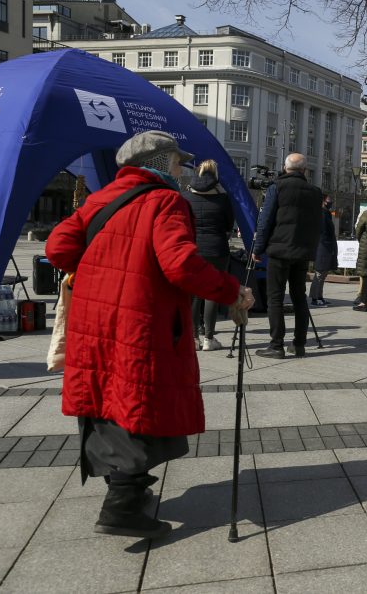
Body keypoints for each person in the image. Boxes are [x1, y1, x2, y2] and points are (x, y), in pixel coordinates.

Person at [45, 131, 253, 539]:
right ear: (158, 162)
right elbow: (179, 265)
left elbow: (57, 248)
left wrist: (99, 268)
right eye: (177, 162)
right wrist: (233, 290)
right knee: (139, 401)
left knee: (108, 399)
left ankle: (129, 495)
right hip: (141, 320)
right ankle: (121, 506)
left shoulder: (99, 199)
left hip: (95, 321)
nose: (182, 170)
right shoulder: (165, 200)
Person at [252, 153, 322, 359]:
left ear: (284, 168)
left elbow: (265, 220)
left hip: (279, 250)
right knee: (299, 296)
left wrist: (257, 249)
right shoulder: (316, 192)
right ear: (305, 170)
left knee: (275, 297)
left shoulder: (277, 188)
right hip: (301, 252)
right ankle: (299, 343)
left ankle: (276, 345)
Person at [182, 159, 235, 351]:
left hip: (193, 249)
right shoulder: (223, 198)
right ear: (215, 175)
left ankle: (193, 337)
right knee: (212, 292)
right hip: (217, 249)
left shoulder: (186, 196)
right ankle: (209, 339)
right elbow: (230, 224)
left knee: (194, 293)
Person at [310, 193, 337, 307]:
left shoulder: (326, 213)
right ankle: (315, 298)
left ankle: (319, 297)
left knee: (323, 273)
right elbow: (323, 232)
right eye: (328, 200)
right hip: (323, 247)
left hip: (327, 246)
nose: (330, 202)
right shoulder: (322, 213)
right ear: (323, 201)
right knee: (319, 274)